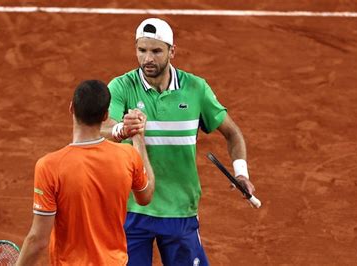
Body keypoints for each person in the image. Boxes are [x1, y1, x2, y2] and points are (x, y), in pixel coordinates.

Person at [101, 18, 257, 266]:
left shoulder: (196, 89)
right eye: (141, 50)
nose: (147, 59)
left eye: (156, 51)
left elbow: (233, 133)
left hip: (180, 209)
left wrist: (241, 173)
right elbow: (104, 125)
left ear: (172, 51)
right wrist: (123, 128)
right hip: (130, 209)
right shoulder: (121, 86)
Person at [16, 80, 155, 266]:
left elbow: (38, 240)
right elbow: (145, 196)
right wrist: (138, 138)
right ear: (105, 115)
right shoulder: (128, 156)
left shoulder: (49, 166)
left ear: (71, 108)